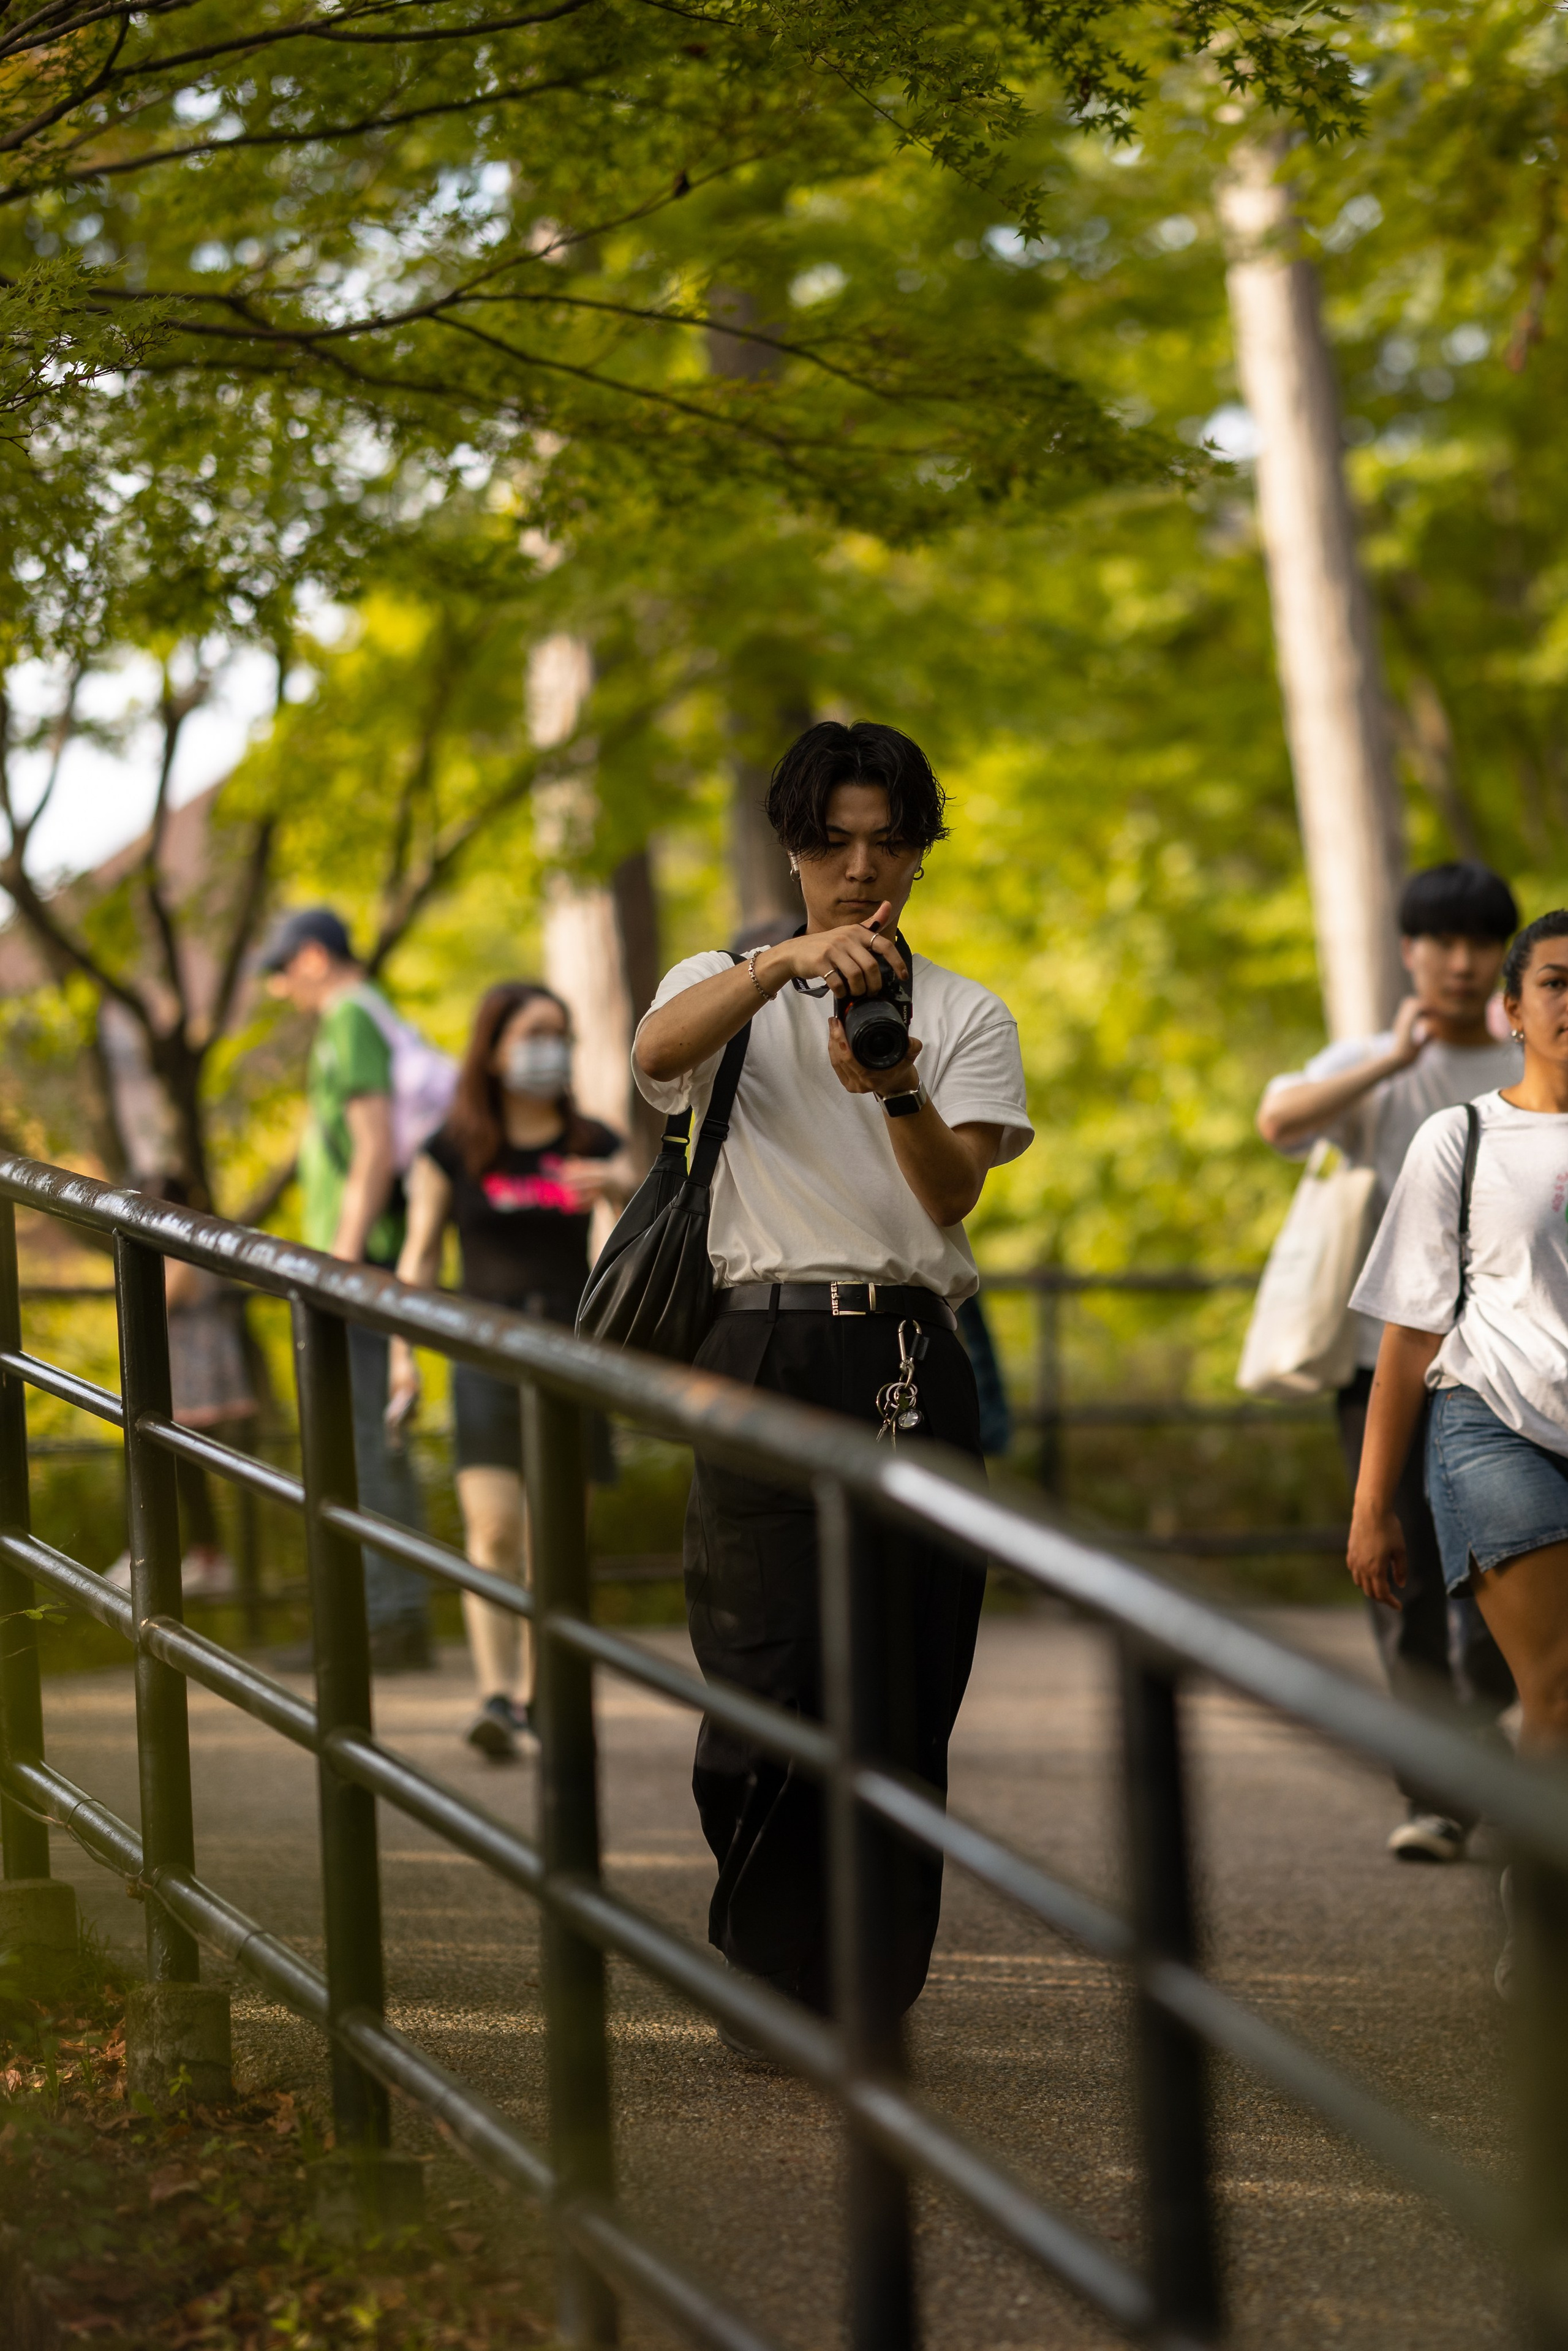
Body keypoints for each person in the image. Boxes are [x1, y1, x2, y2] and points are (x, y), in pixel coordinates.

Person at [633, 719, 1033, 2044]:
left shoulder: (968, 1012)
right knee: (761, 1682)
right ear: (792, 849)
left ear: (918, 854)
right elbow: (655, 1058)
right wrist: (779, 966)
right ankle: (768, 1967)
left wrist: (896, 1083)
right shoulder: (721, 981)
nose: (860, 871)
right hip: (757, 1345)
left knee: (903, 1696)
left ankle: (866, 1994)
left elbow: (951, 1193)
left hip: (908, 1352)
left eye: (887, 844)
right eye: (832, 843)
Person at [1257, 862, 1520, 1862]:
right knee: (1403, 1581)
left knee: (1503, 1578)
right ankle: (1436, 1796)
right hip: (1383, 1370)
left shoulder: (1533, 1063)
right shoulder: (1372, 1060)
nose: (1461, 962)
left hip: (1509, 1372)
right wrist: (1390, 1061)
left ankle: (1482, 1750)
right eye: (1441, 941)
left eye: (1480, 942)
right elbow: (1279, 1121)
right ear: (1410, 951)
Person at [1346, 908, 1568, 1990]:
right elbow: (1409, 1330)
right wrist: (1373, 1502)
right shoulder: (1462, 1137)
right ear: (1513, 1008)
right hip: (1496, 1423)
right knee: (1559, 1684)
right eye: (1558, 983)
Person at [388, 983, 629, 1762]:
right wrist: (402, 1357)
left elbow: (648, 1241)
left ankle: (538, 1696)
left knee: (557, 1545)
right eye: (530, 1034)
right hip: (485, 1354)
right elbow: (419, 1256)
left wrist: (620, 1188)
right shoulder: (451, 1148)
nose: (546, 1048)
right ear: (492, 1051)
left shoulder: (595, 1141)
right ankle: (497, 1696)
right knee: (493, 1532)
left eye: (558, 1033)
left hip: (571, 1356)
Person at [260, 905, 432, 1670]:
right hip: (370, 1262)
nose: (279, 989)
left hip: (359, 1265)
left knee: (363, 1442)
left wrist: (338, 1261)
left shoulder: (350, 1019)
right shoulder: (368, 1015)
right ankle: (393, 1617)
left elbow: (372, 1146)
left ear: (311, 957)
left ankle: (386, 1623)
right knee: (371, 1440)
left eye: (281, 971)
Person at [107, 1174, 258, 1598]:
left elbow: (153, 1298)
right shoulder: (197, 1249)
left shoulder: (186, 1258)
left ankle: (188, 1558)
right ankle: (196, 1556)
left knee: (175, 1466)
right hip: (189, 1381)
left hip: (194, 1385)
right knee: (180, 1467)